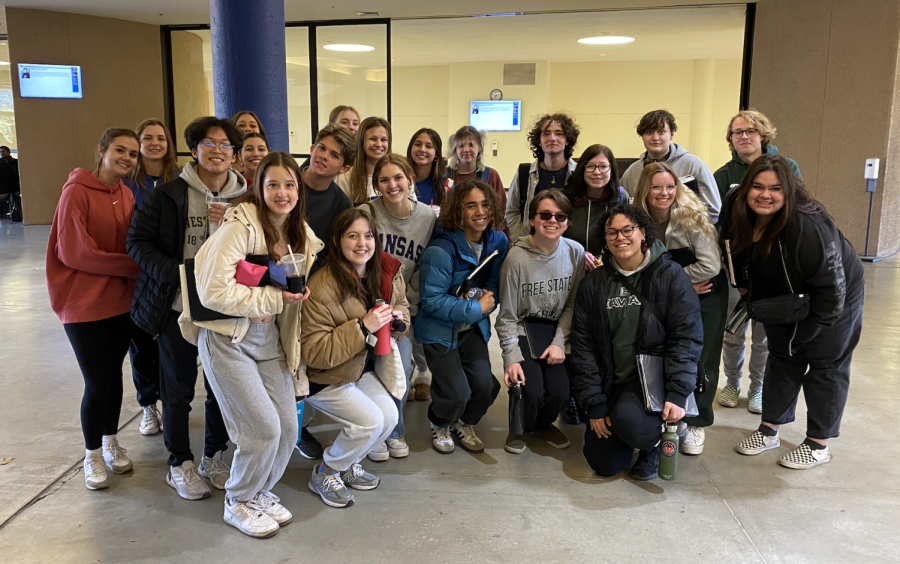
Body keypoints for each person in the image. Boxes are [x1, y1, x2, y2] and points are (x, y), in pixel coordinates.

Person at [187, 151, 316, 537]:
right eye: (273, 184)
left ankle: (259, 491)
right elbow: (211, 291)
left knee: (287, 431)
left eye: (290, 184)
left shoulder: (298, 232)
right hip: (229, 339)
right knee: (260, 429)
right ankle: (237, 500)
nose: (282, 193)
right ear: (258, 188)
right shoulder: (238, 227)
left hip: (269, 341)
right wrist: (273, 300)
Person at [127, 116, 246, 501]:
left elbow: (260, 248)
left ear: (234, 154)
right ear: (193, 151)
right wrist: (178, 275)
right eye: (208, 144)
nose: (217, 150)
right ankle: (179, 462)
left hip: (225, 310)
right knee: (177, 391)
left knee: (220, 389)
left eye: (225, 144)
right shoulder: (169, 195)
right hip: (178, 307)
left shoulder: (246, 198)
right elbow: (137, 242)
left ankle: (215, 455)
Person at [731, 155, 864, 470]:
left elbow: (833, 292)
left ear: (788, 191)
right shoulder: (738, 211)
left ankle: (818, 443)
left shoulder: (809, 225)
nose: (766, 195)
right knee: (782, 357)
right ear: (746, 188)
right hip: (783, 296)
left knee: (825, 364)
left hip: (835, 296)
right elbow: (732, 247)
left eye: (776, 188)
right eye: (758, 187)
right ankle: (769, 429)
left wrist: (809, 331)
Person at [570, 204, 702, 480]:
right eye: (611, 232)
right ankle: (624, 426)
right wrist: (594, 404)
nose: (620, 237)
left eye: (627, 230)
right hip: (609, 378)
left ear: (643, 233)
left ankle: (652, 442)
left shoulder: (670, 275)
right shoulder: (593, 284)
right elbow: (583, 346)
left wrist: (678, 393)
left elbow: (686, 336)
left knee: (635, 426)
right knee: (603, 464)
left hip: (649, 380)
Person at [46, 128, 142, 491]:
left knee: (114, 375)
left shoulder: (127, 193)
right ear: (102, 150)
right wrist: (133, 267)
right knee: (96, 381)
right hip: (82, 302)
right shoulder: (76, 192)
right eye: (120, 150)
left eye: (132, 154)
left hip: (119, 300)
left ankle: (110, 441)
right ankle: (91, 454)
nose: (127, 158)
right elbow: (75, 253)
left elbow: (133, 241)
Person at [301, 208, 408, 508]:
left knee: (389, 416)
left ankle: (346, 466)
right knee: (370, 421)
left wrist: (399, 320)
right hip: (324, 378)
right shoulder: (322, 287)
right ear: (337, 241)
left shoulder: (382, 272)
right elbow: (313, 353)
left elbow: (402, 305)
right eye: (352, 236)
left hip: (359, 369)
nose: (362, 243)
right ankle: (325, 471)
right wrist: (363, 327)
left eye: (368, 235)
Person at [634, 162, 725, 455]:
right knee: (664, 353)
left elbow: (711, 265)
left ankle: (697, 422)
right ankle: (672, 415)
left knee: (701, 359)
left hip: (704, 294)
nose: (664, 193)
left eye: (670, 186)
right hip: (665, 295)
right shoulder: (636, 217)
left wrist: (679, 284)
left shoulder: (692, 217)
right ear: (644, 189)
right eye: (657, 187)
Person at [714, 110, 801, 413]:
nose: (744, 136)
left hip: (772, 268)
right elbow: (718, 224)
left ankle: (757, 387)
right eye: (737, 132)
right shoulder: (723, 175)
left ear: (763, 134)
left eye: (750, 131)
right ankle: (732, 382)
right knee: (733, 331)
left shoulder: (786, 167)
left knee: (764, 334)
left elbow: (796, 213)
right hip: (736, 269)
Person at [414, 180, 507, 454]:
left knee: (487, 388)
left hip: (471, 329)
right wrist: (474, 307)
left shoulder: (497, 240)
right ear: (458, 211)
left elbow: (493, 286)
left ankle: (463, 422)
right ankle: (439, 421)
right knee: (457, 393)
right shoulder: (440, 250)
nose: (480, 211)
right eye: (471, 205)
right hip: (438, 330)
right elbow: (431, 301)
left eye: (485, 204)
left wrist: (479, 301)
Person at [360, 154, 437, 458]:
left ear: (410, 180)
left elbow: (428, 265)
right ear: (376, 185)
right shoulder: (366, 212)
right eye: (383, 180)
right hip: (369, 303)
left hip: (404, 305)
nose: (392, 185)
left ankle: (394, 431)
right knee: (368, 368)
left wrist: (406, 305)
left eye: (398, 178)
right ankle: (376, 431)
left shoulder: (428, 219)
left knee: (400, 365)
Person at [496, 189, 585, 454]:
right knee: (530, 389)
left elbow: (572, 305)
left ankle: (543, 424)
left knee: (559, 391)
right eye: (545, 214)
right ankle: (520, 426)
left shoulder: (575, 253)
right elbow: (507, 316)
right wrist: (510, 357)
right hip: (524, 327)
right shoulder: (516, 259)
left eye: (560, 216)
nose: (553, 221)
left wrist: (560, 342)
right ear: (532, 219)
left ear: (568, 222)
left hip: (556, 328)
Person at [294, 123, 357, 460]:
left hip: (305, 294)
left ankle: (297, 429)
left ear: (343, 168)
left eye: (334, 155)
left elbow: (337, 255)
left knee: (297, 365)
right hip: (263, 286)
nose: (323, 157)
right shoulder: (285, 178)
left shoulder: (340, 204)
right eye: (321, 147)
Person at [123, 119, 181, 437]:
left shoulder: (181, 179)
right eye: (148, 138)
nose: (155, 143)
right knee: (142, 346)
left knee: (172, 348)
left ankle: (171, 402)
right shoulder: (129, 183)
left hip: (170, 278)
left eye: (161, 138)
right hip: (139, 277)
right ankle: (148, 405)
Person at [620, 109, 721, 223]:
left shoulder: (694, 165)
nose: (655, 137)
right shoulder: (632, 172)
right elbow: (625, 212)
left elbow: (713, 211)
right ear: (642, 136)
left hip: (687, 236)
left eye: (661, 132)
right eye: (649, 132)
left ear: (672, 134)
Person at [506, 113, 580, 242]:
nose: (552, 138)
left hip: (569, 248)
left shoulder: (579, 173)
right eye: (546, 133)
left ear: (567, 140)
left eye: (559, 133)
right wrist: (523, 241)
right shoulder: (524, 173)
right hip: (532, 248)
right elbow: (512, 211)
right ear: (539, 141)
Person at [444, 126, 508, 239]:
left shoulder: (491, 175)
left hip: (484, 237)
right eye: (461, 145)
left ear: (479, 148)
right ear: (455, 150)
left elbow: (502, 213)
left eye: (471, 145)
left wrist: (506, 242)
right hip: (451, 236)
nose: (466, 149)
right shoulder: (445, 175)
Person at [336, 117, 391, 205]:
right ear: (361, 141)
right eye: (373, 139)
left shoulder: (399, 176)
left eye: (383, 140)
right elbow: (344, 216)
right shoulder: (346, 178)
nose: (379, 144)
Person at [406, 128, 446, 208]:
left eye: (428, 146)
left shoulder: (445, 186)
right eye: (417, 144)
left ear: (436, 154)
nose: (422, 149)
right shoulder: (399, 181)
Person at [231, 111, 266, 175]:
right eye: (241, 125)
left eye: (252, 126)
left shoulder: (271, 159)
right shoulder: (226, 160)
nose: (247, 129)